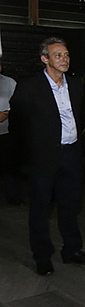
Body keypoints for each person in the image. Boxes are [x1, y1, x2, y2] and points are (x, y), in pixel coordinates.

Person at [9, 37, 85, 275]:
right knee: (40, 210)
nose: (65, 59)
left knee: (70, 206)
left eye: (67, 55)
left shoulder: (75, 86)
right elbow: (17, 127)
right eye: (58, 55)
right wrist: (26, 158)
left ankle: (72, 251)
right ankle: (42, 257)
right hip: (42, 158)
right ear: (44, 59)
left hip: (71, 154)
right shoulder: (29, 87)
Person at [0, 53, 21, 205]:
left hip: (6, 133)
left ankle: (13, 197)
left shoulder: (10, 82)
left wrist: (8, 113)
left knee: (9, 167)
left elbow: (18, 105)